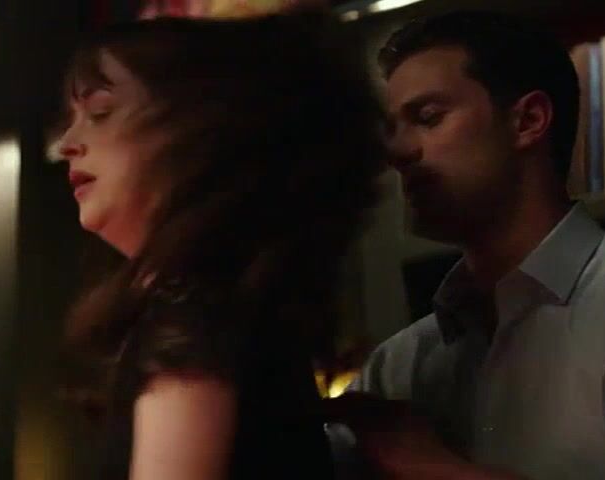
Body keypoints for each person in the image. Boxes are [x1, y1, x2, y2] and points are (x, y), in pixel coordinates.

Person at [326, 10, 605, 480]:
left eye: (428, 118)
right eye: (393, 130)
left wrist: (434, 467)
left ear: (528, 121)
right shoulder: (397, 367)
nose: (398, 152)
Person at [50, 8, 386, 479]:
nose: (67, 143)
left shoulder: (194, 318)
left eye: (100, 113)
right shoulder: (218, 307)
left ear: (203, 131)